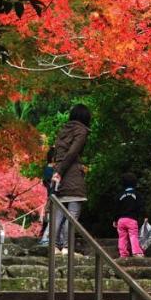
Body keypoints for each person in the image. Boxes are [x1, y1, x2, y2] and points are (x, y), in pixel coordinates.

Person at [42, 103, 90, 254]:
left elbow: (59, 154)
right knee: (73, 214)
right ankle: (67, 248)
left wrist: (58, 171)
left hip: (60, 177)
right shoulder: (81, 130)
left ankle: (55, 246)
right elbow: (73, 152)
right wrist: (61, 171)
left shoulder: (63, 130)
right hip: (71, 176)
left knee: (59, 213)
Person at [113, 173, 145, 258]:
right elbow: (140, 206)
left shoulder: (119, 196)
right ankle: (136, 252)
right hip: (131, 219)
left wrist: (115, 220)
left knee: (122, 237)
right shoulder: (137, 194)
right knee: (133, 235)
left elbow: (116, 209)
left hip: (120, 220)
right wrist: (144, 216)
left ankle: (123, 254)